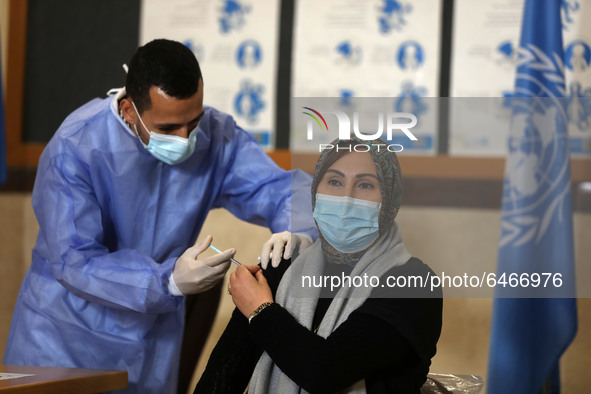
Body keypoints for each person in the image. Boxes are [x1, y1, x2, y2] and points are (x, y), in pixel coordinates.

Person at [3, 39, 316, 394]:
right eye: (168, 129)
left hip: (154, 342)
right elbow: (74, 261)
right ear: (128, 110)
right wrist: (166, 281)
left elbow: (280, 189)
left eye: (193, 122)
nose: (185, 139)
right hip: (64, 339)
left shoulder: (215, 136)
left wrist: (297, 229)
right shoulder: (75, 147)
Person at [195, 137, 443, 393]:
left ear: (390, 199)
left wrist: (259, 309)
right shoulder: (284, 263)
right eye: (334, 181)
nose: (346, 198)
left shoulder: (413, 283)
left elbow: (325, 370)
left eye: (365, 184)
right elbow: (220, 378)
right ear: (315, 191)